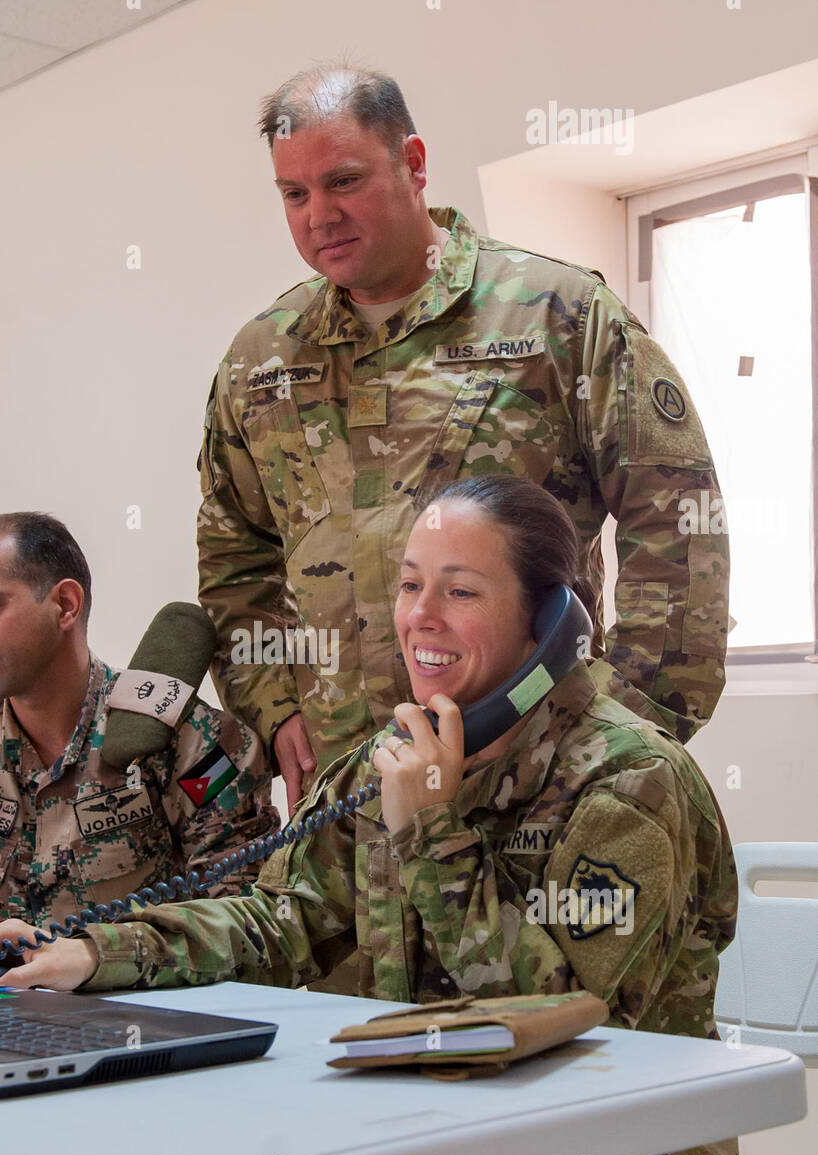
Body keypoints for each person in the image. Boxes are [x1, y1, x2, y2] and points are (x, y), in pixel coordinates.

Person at [0, 475, 741, 1155]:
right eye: (410, 585)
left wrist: (431, 833)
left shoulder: (630, 784)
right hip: (428, 1147)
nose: (421, 616)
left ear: (548, 621)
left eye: (462, 590)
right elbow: (277, 919)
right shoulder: (395, 754)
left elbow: (571, 1026)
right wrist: (90, 951)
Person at [196, 63, 729, 815]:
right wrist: (272, 703)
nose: (319, 215)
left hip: (533, 784)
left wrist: (628, 728)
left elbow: (675, 516)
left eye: (344, 181)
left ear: (412, 164)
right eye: (294, 193)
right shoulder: (261, 362)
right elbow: (234, 553)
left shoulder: (557, 317)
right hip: (350, 795)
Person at [0, 512, 278, 965]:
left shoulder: (192, 743)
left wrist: (95, 958)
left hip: (142, 1014)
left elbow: (250, 932)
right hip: (2, 1003)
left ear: (66, 605)